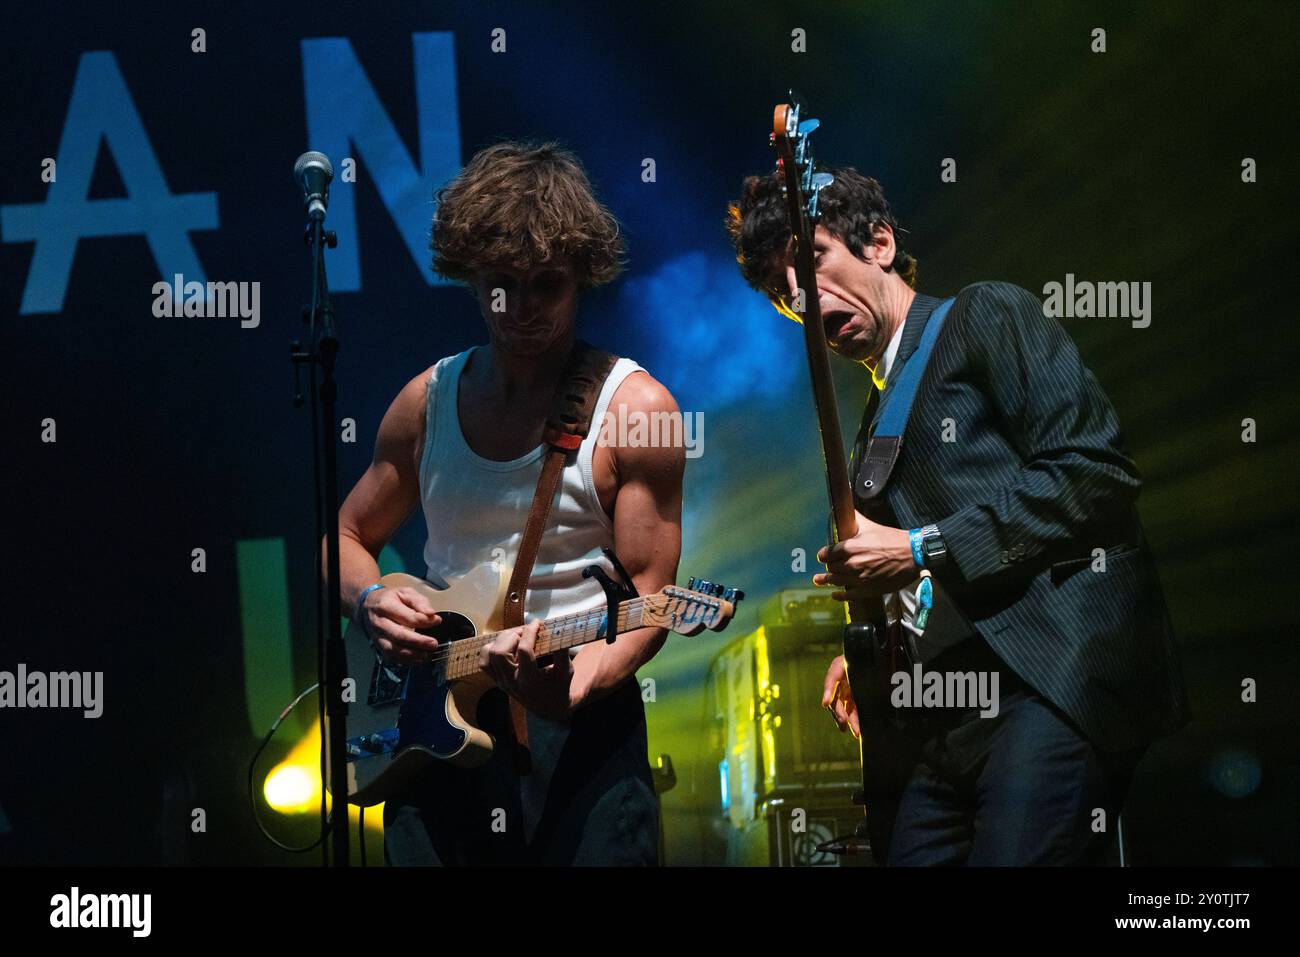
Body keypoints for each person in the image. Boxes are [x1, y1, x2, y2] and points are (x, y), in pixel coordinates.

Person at [726, 167, 1189, 865]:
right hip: (937, 723)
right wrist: (877, 646)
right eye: (778, 291)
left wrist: (919, 545)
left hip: (1044, 682)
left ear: (879, 242)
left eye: (810, 259)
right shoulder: (876, 419)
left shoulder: (984, 315)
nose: (797, 294)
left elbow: (1095, 472)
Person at [335, 141, 684, 865]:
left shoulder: (636, 408)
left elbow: (652, 596)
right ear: (469, 278)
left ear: (581, 277)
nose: (521, 307)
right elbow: (343, 532)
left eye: (545, 285)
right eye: (501, 284)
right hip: (435, 731)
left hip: (582, 730)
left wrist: (575, 683)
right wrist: (369, 598)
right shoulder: (423, 404)